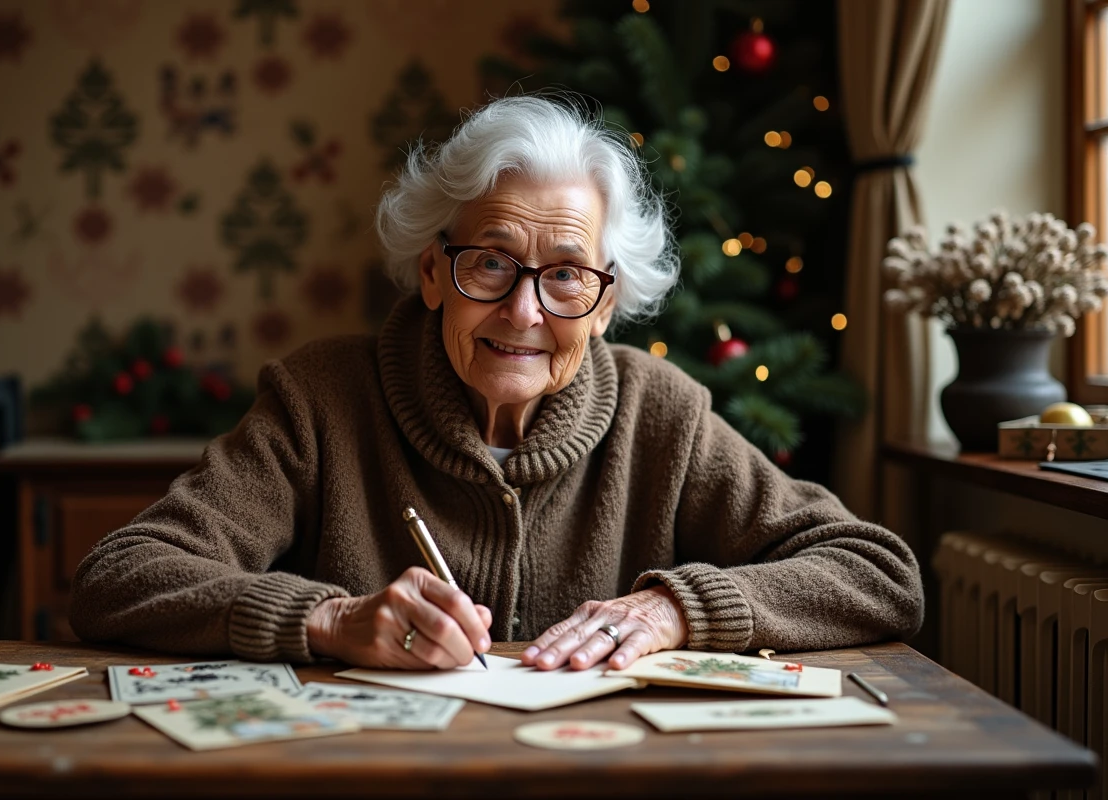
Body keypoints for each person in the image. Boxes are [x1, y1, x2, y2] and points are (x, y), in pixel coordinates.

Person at [70, 96, 923, 672]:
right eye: (490, 263)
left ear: (605, 302)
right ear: (433, 273)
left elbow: (878, 572)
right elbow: (121, 575)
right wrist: (326, 620)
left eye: (564, 276)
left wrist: (676, 611)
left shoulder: (660, 413)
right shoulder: (321, 397)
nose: (522, 311)